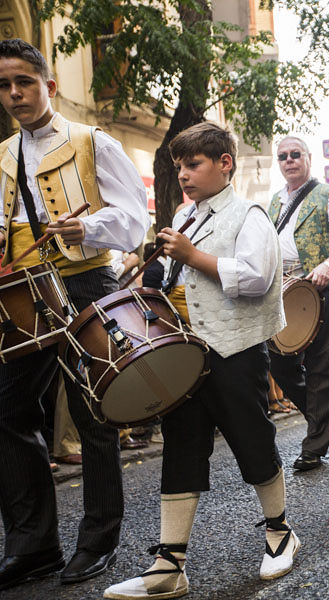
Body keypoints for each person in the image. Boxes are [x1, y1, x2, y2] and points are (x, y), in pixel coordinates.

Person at [105, 122, 295, 599]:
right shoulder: (186, 214)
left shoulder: (250, 214)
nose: (184, 176)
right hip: (186, 352)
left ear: (224, 164)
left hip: (236, 350)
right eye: (179, 167)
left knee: (252, 440)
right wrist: (150, 269)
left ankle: (280, 533)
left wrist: (191, 255)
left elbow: (254, 278)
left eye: (194, 165)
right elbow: (174, 276)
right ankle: (169, 566)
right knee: (182, 446)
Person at [0, 39, 150, 590]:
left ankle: (98, 541)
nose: (14, 94)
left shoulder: (93, 141)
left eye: (24, 82)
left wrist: (86, 228)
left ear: (49, 86)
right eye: (4, 85)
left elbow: (134, 220)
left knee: (95, 413)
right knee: (8, 410)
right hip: (24, 291)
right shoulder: (0, 155)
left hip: (86, 280)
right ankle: (33, 546)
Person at [267, 137, 329, 471]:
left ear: (308, 158)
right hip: (282, 292)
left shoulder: (328, 195)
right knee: (278, 362)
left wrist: (327, 266)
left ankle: (313, 448)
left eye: (296, 155)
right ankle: (320, 415)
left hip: (318, 289)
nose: (289, 160)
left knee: (322, 367)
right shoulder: (273, 203)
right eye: (283, 156)